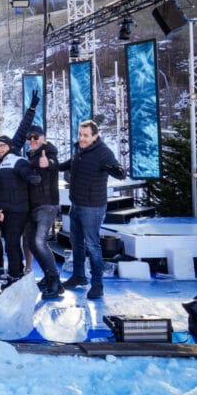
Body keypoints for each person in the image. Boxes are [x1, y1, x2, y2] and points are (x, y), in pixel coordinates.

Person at [59, 119, 126, 299]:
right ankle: (79, 276)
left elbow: (120, 172)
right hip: (76, 203)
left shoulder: (103, 152)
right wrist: (52, 166)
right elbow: (69, 163)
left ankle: (98, 284)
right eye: (80, 134)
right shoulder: (79, 149)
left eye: (86, 135)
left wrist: (117, 170)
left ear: (95, 136)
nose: (82, 138)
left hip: (93, 207)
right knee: (77, 243)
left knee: (92, 246)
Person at [0, 135, 41, 285]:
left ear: (9, 147)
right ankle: (17, 270)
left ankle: (14, 274)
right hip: (4, 210)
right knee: (10, 242)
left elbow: (25, 171)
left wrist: (32, 177)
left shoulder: (16, 160)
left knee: (12, 243)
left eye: (3, 146)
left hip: (17, 209)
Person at [24, 125, 64, 299]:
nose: (32, 140)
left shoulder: (48, 153)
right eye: (29, 138)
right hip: (33, 205)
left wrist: (49, 163)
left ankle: (56, 281)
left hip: (46, 205)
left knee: (40, 242)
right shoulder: (31, 156)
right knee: (32, 243)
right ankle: (48, 276)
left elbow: (55, 164)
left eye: (36, 137)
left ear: (43, 138)